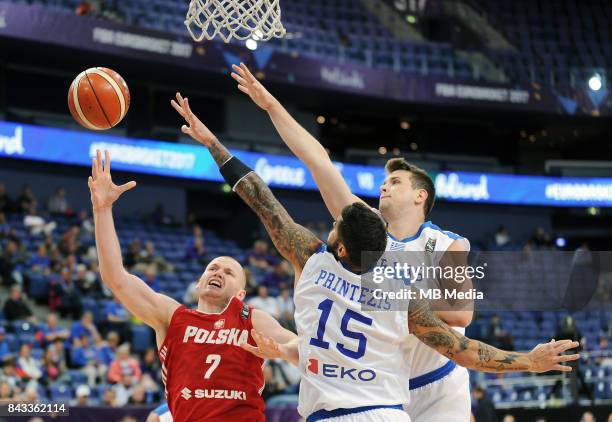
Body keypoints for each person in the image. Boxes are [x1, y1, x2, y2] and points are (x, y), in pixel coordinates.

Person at [173, 93, 581, 422]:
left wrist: (214, 144)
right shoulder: (365, 229)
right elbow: (317, 160)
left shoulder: (447, 244)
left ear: (420, 195)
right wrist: (273, 106)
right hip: (386, 386)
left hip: (433, 382)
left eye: (395, 182)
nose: (384, 188)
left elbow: (462, 317)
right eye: (383, 182)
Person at [88, 150, 296, 422]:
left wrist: (283, 351)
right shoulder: (172, 317)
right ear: (198, 282)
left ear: (241, 294)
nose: (218, 272)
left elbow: (300, 345)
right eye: (212, 268)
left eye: (229, 272)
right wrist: (102, 210)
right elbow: (116, 278)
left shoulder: (251, 320)